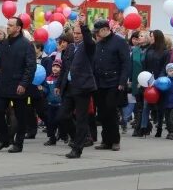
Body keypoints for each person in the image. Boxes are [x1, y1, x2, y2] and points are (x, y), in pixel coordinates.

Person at [0, 16, 35, 153]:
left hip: (18, 86)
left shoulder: (26, 44)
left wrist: (24, 84)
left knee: (20, 116)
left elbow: (30, 66)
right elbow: (2, 62)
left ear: (18, 28)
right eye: (7, 24)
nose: (8, 27)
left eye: (11, 25)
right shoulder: (4, 43)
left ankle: (18, 143)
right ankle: (3, 139)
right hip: (4, 84)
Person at [57, 14, 97, 159]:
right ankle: (79, 138)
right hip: (69, 86)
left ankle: (77, 148)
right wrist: (58, 84)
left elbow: (88, 40)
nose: (76, 36)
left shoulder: (88, 47)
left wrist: (84, 26)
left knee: (81, 118)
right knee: (62, 116)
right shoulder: (70, 47)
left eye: (78, 33)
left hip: (82, 87)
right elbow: (64, 67)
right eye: (74, 33)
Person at [91, 19, 131, 151]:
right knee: (102, 112)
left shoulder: (120, 42)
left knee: (111, 111)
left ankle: (115, 140)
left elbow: (126, 63)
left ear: (105, 30)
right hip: (100, 83)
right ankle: (105, 140)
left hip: (114, 82)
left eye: (98, 32)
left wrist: (122, 81)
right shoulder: (99, 43)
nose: (96, 34)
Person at [141, 29, 170, 137]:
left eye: (152, 36)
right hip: (148, 81)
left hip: (160, 82)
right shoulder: (148, 50)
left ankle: (159, 128)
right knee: (146, 105)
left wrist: (158, 79)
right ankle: (143, 127)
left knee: (160, 106)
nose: (150, 38)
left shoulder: (165, 51)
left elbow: (165, 67)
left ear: (157, 37)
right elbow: (144, 65)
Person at [130, 30, 150, 137]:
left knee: (145, 105)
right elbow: (131, 64)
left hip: (146, 81)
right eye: (139, 36)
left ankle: (142, 127)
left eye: (142, 36)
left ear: (147, 38)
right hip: (135, 80)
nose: (139, 38)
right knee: (138, 105)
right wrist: (129, 79)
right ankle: (140, 126)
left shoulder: (150, 50)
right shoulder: (135, 50)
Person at [43, 59, 63, 145]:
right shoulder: (48, 78)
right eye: (53, 66)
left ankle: (63, 135)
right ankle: (52, 138)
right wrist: (42, 89)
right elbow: (46, 90)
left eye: (57, 67)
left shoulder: (62, 79)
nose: (55, 68)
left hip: (60, 104)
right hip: (50, 104)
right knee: (50, 122)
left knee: (59, 120)